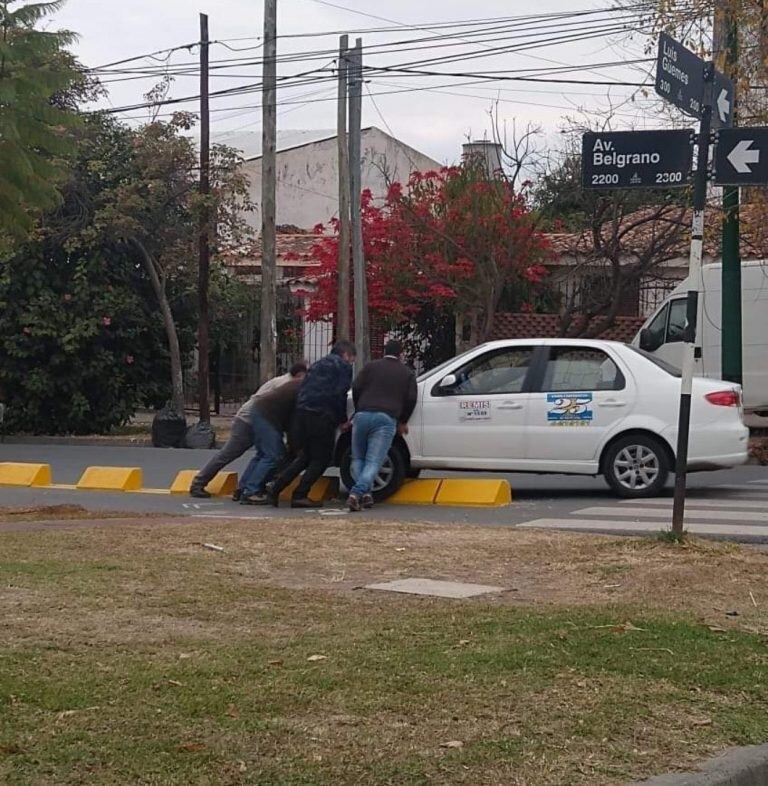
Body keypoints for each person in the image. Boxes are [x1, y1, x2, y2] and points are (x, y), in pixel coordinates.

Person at [189, 361, 307, 499]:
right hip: (249, 420)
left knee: (263, 455)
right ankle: (200, 483)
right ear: (300, 375)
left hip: (257, 419)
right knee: (231, 453)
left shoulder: (285, 382)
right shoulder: (286, 384)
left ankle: (243, 488)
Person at [267, 341, 356, 509]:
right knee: (321, 459)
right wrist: (342, 420)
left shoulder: (316, 365)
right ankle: (300, 494)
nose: (351, 363)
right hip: (322, 416)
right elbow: (339, 394)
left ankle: (275, 487)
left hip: (302, 414)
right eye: (352, 359)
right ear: (346, 355)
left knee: (306, 456)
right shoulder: (343, 367)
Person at [347, 340, 417, 512]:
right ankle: (356, 493)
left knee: (358, 459)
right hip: (386, 418)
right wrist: (403, 420)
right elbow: (411, 399)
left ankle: (366, 494)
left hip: (362, 415)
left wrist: (358, 409)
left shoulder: (370, 367)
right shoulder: (406, 373)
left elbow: (356, 387)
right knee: (374, 461)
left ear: (384, 351)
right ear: (401, 353)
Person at [238, 373, 304, 505]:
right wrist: (295, 446)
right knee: (273, 455)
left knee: (262, 454)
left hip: (259, 410)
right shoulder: (305, 390)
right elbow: (294, 423)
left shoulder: (299, 384)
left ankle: (243, 488)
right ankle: (251, 491)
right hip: (267, 416)